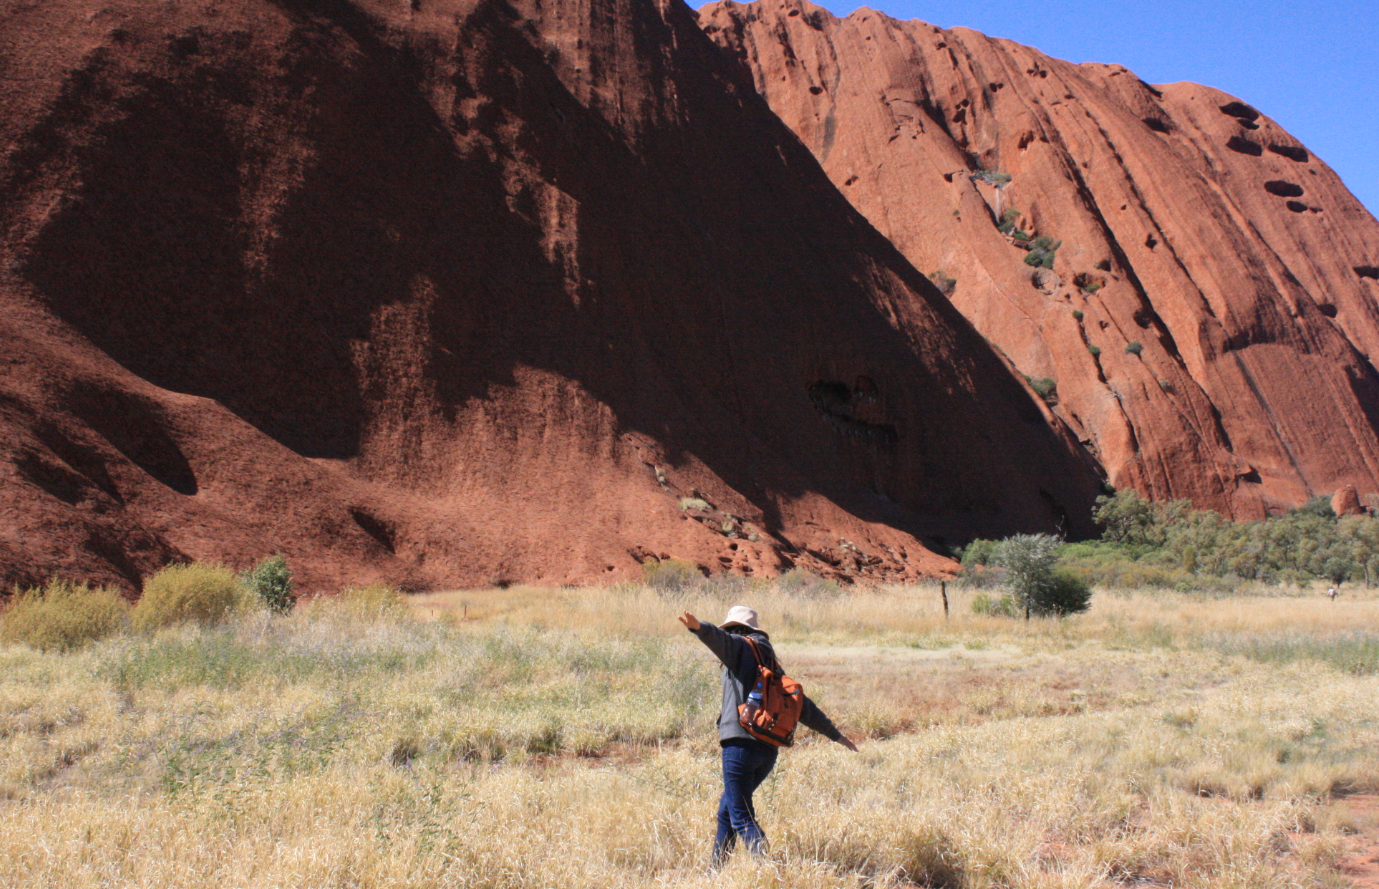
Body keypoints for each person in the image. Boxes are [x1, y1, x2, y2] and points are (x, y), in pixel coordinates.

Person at [677, 605, 858, 868]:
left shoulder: (740, 647)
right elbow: (801, 705)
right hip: (768, 750)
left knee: (741, 816)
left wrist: (699, 628)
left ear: (736, 629)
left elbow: (722, 640)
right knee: (727, 810)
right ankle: (716, 871)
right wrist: (835, 735)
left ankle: (767, 871)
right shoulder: (770, 662)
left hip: (740, 745)